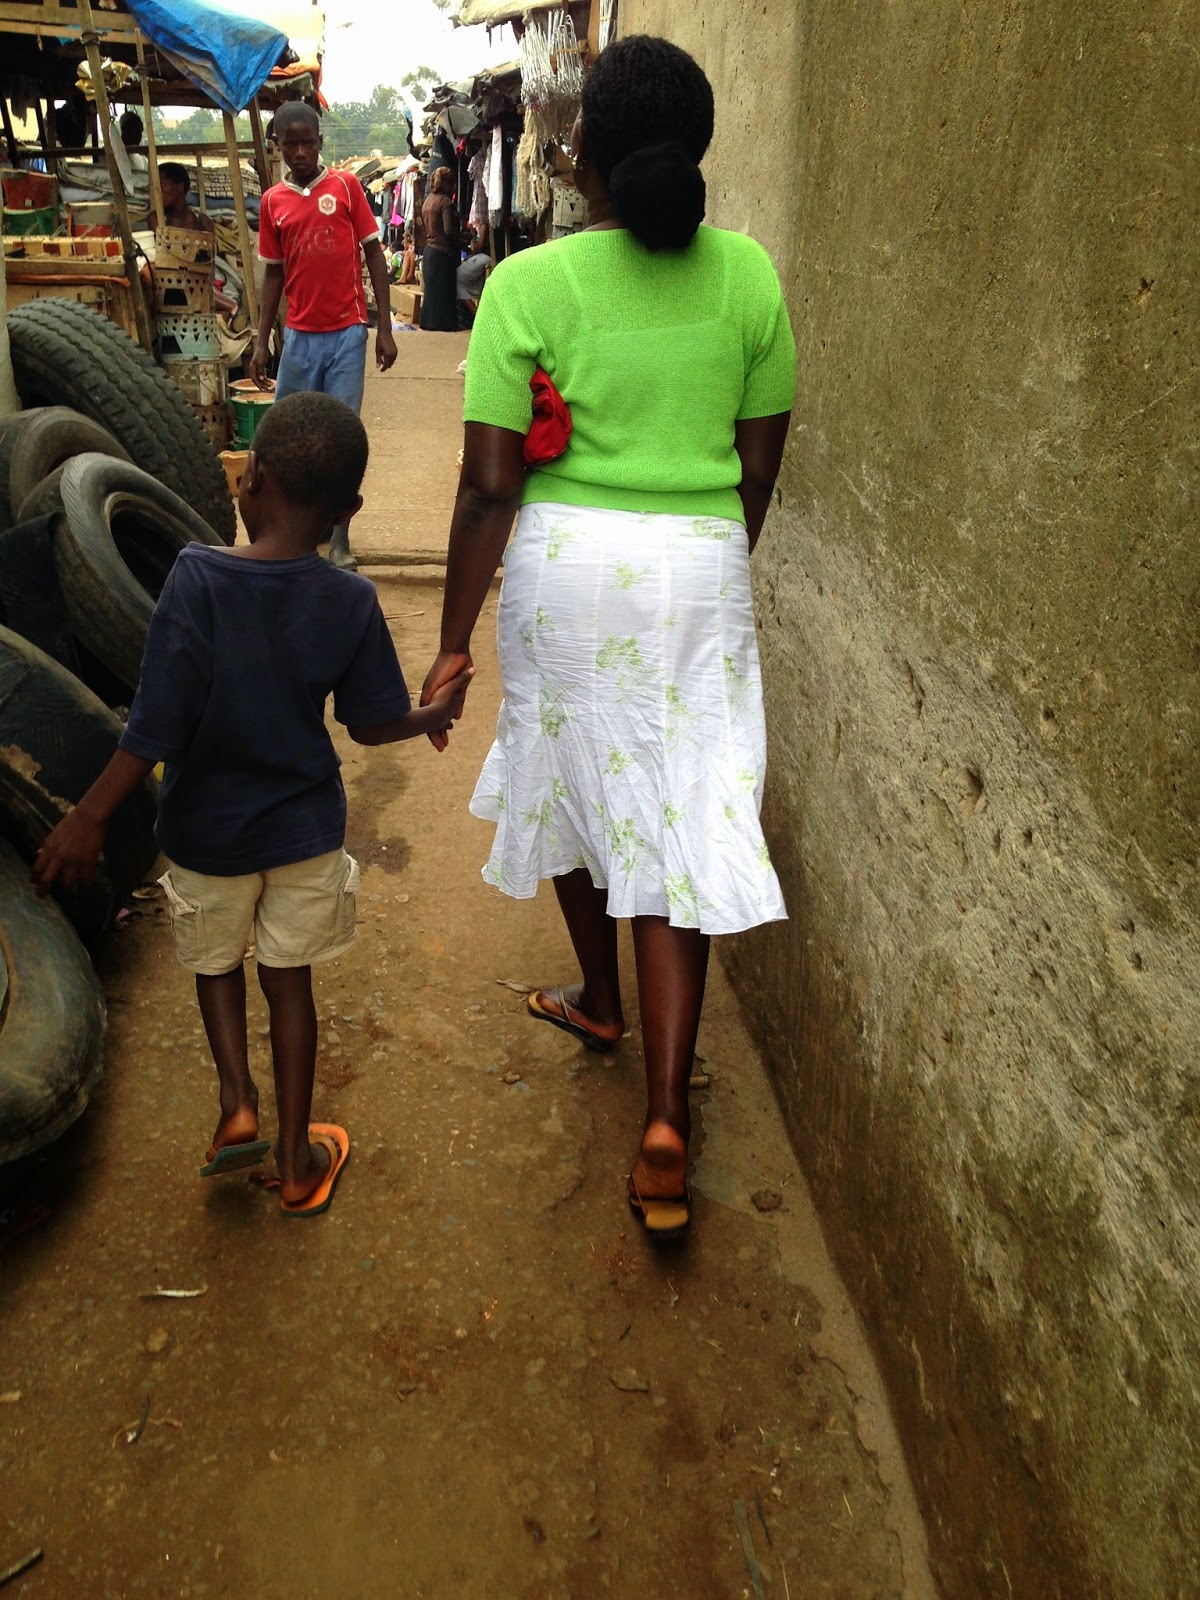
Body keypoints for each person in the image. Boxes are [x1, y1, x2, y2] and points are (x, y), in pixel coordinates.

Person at [421, 35, 796, 1241]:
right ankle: (667, 1114)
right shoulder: (749, 277)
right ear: (698, 145)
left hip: (566, 570)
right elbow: (756, 471)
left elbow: (489, 486)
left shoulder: (528, 288)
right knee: (677, 811)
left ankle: (598, 995)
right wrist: (707, 562)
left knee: (576, 777)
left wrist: (452, 639)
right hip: (699, 566)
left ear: (579, 152)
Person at [32, 393, 471, 1217]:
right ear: (349, 510)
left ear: (251, 478)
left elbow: (155, 724)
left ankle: (237, 1101)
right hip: (302, 833)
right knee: (288, 979)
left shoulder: (195, 577)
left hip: (206, 834)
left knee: (216, 967)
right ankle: (298, 1161)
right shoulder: (349, 600)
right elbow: (372, 725)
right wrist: (434, 714)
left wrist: (87, 817)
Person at [251, 102, 398, 572]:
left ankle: (339, 538)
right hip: (299, 337)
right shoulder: (272, 202)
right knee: (285, 435)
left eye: (307, 143)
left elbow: (374, 255)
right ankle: (286, 531)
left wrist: (384, 327)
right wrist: (261, 340)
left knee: (341, 438)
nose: (299, 152)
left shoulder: (346, 187)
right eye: (289, 144)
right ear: (278, 146)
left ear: (320, 143)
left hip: (347, 334)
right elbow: (273, 275)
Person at [420, 166, 464, 332]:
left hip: (429, 252)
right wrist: (463, 239)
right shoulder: (445, 202)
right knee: (444, 293)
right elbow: (449, 231)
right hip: (442, 254)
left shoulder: (428, 201)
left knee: (431, 293)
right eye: (452, 184)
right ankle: (443, 325)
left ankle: (429, 323)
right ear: (447, 184)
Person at [156, 162, 208, 232]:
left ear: (180, 186)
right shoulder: (156, 220)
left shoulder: (202, 223)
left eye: (162, 186)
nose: (157, 192)